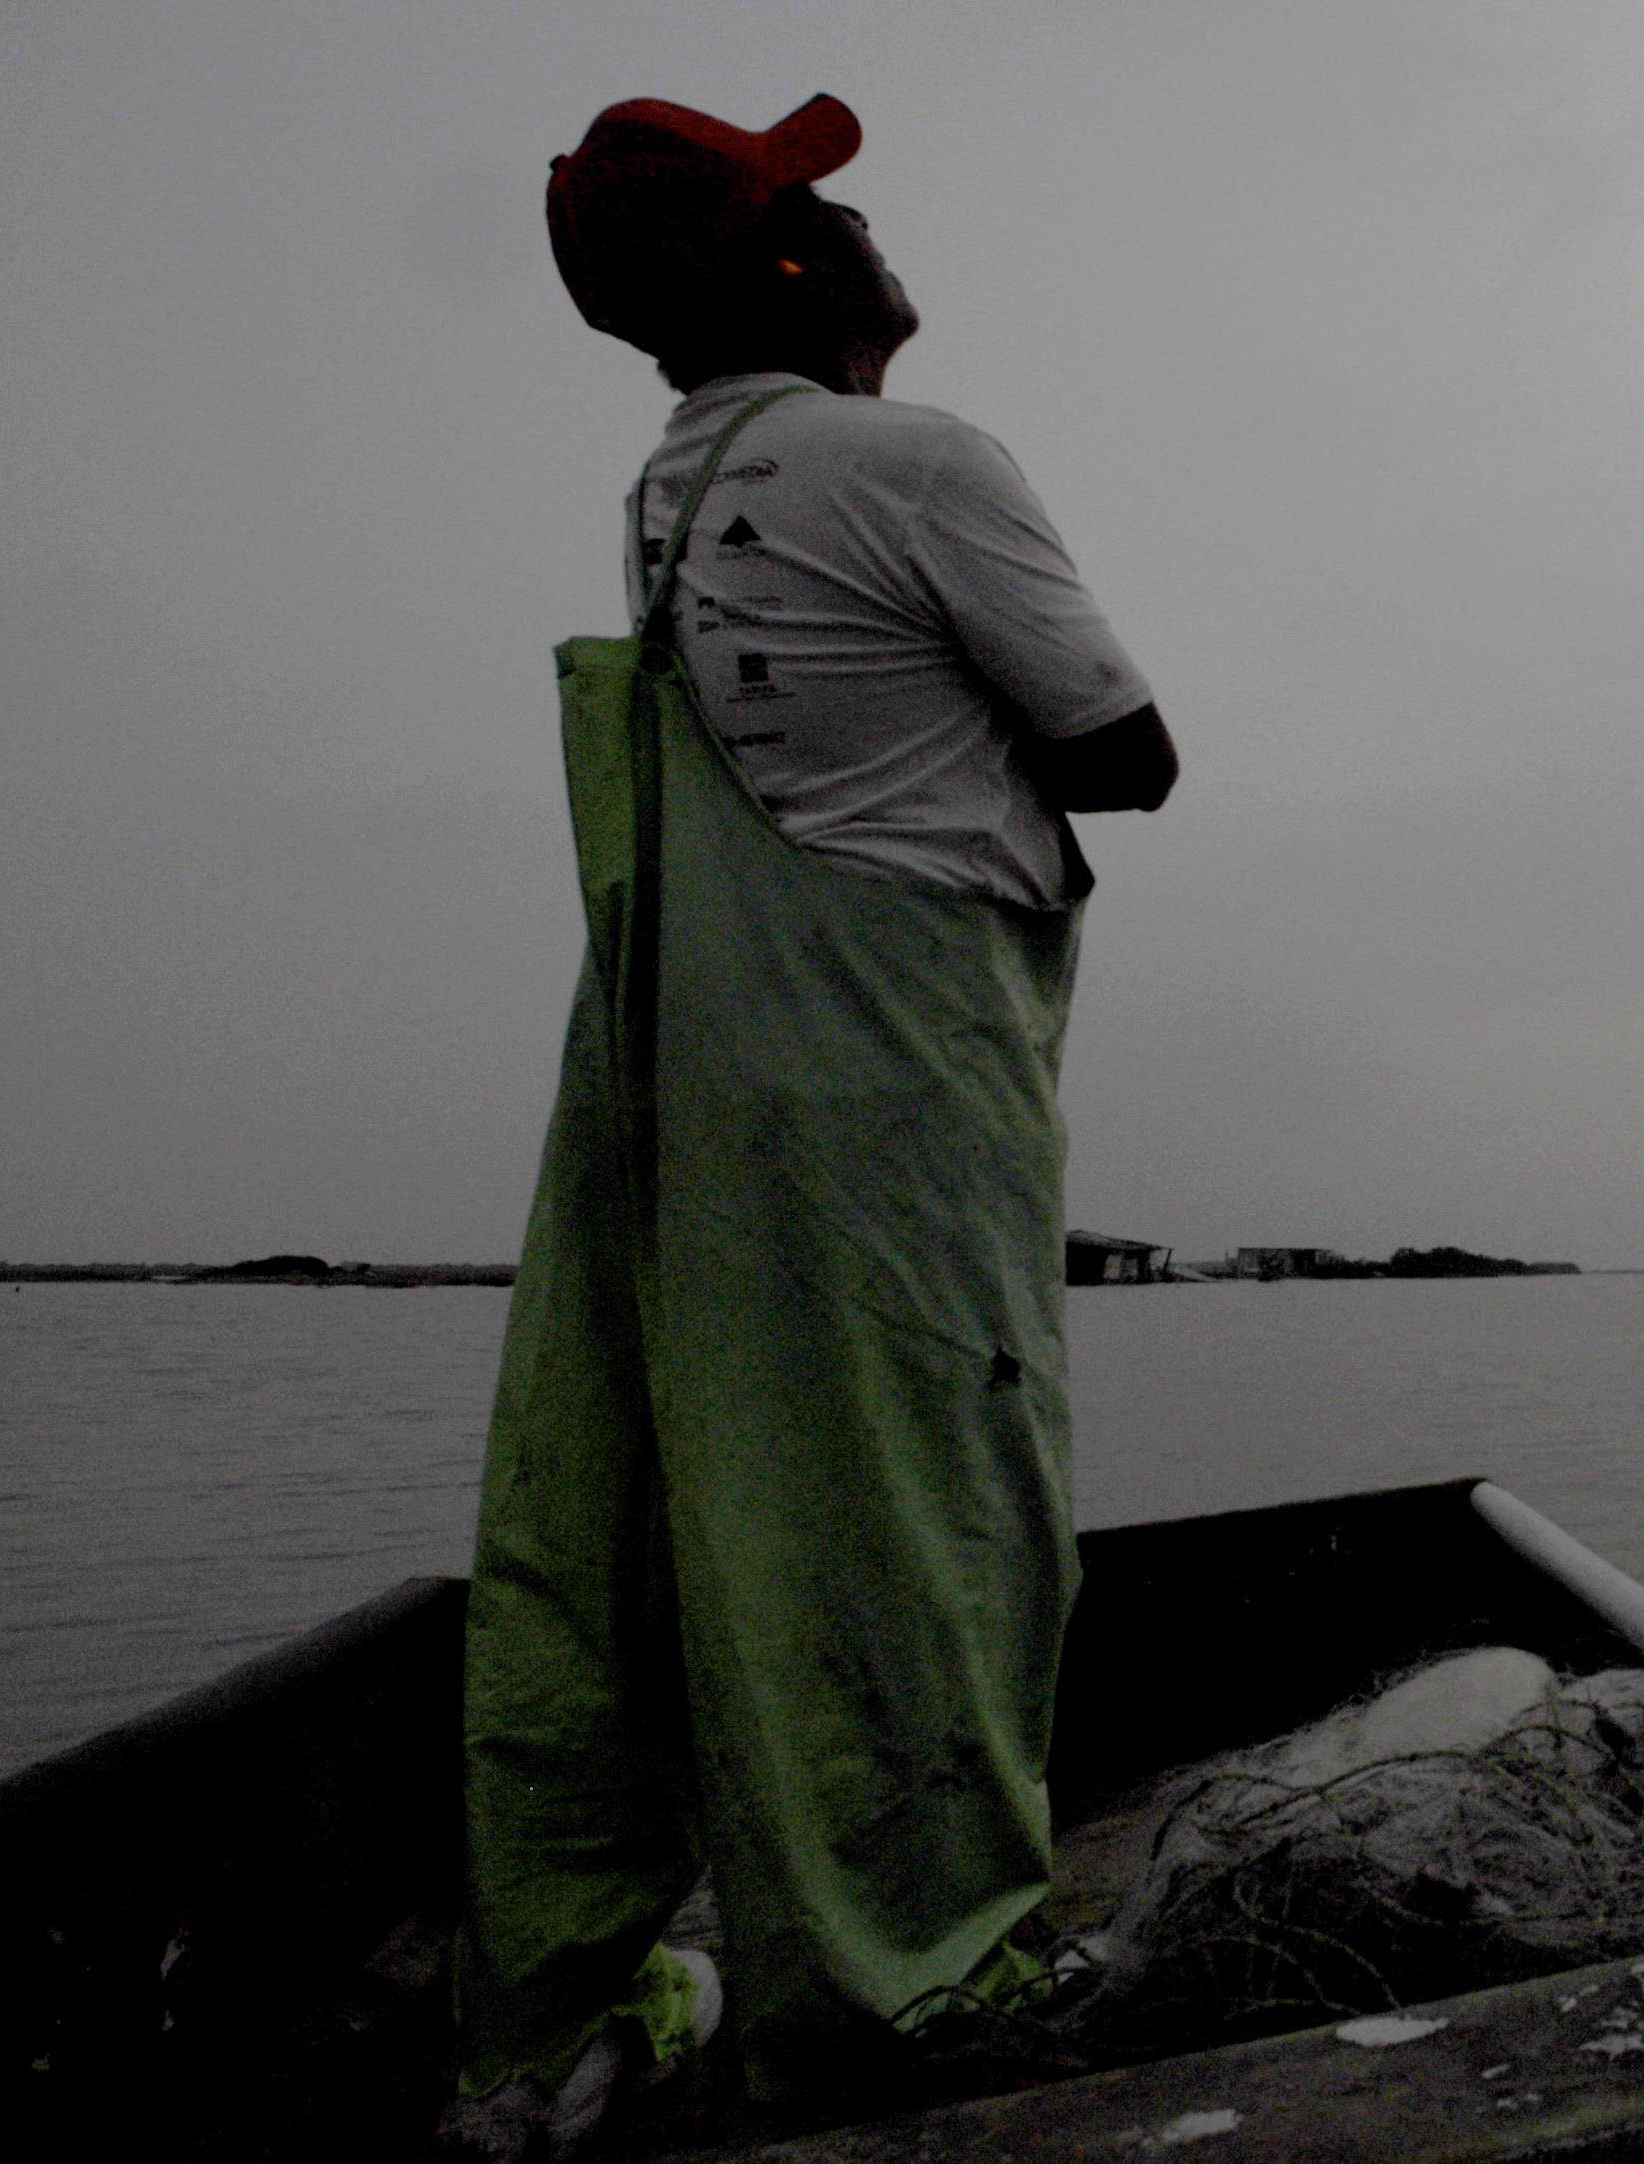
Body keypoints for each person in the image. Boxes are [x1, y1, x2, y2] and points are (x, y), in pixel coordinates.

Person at [436, 93, 1176, 2159]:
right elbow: (1128, 752)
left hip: (716, 1070)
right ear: (778, 273)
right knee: (937, 1481)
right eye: (820, 209)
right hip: (886, 1054)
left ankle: (647, 1974)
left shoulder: (674, 485)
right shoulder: (906, 457)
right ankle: (916, 1980)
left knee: (740, 1503)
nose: (860, 229)